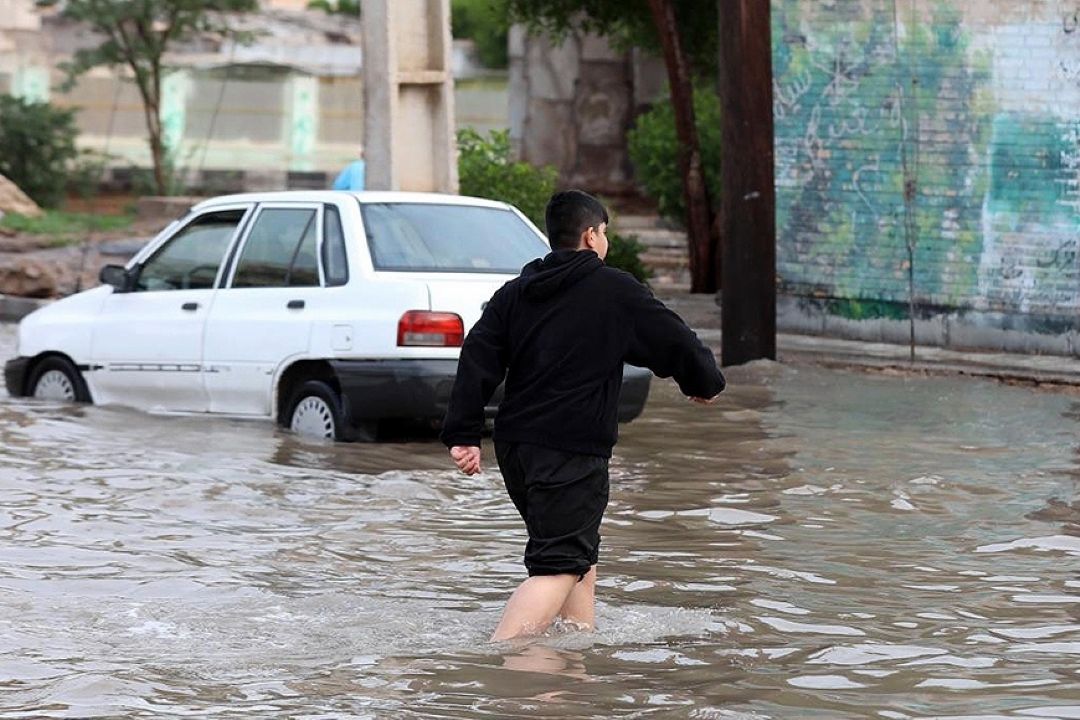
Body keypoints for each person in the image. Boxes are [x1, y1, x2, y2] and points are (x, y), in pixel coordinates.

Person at [440, 189, 725, 642]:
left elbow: (477, 354)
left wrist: (464, 434)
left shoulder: (516, 293)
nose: (606, 241)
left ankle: (569, 668)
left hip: (516, 451)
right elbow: (673, 338)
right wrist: (703, 383)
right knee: (560, 566)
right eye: (605, 232)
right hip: (568, 452)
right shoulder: (614, 289)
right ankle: (497, 663)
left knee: (579, 560)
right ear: (591, 236)